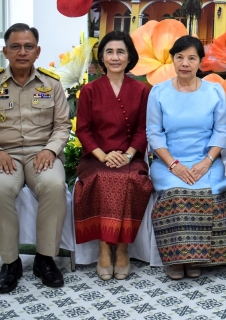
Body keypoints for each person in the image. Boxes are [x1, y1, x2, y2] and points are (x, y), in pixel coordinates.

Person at [0, 23, 71, 293]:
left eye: (28, 46)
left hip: (42, 154)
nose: (22, 52)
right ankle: (10, 263)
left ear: (37, 51)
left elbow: (62, 125)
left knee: (54, 185)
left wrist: (51, 150)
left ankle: (45, 259)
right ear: (5, 51)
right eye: (15, 46)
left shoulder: (52, 84)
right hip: (4, 155)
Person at [148, 35, 226, 279]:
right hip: (168, 162)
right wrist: (174, 165)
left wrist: (207, 162)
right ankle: (176, 259)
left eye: (191, 58)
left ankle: (198, 258)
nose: (185, 63)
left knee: (211, 191)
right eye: (179, 57)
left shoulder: (214, 91)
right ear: (172, 60)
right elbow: (154, 133)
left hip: (205, 161)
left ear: (200, 62)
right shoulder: (158, 92)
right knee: (177, 192)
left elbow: (222, 130)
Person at [73, 31, 153, 280]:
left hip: (131, 158)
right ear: (102, 57)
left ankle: (122, 248)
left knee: (131, 180)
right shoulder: (89, 90)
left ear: (129, 57)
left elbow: (143, 129)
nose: (115, 57)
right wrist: (103, 156)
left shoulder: (141, 90)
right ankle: (104, 247)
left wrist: (127, 156)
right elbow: (83, 129)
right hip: (95, 158)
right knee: (104, 177)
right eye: (109, 52)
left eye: (120, 52)